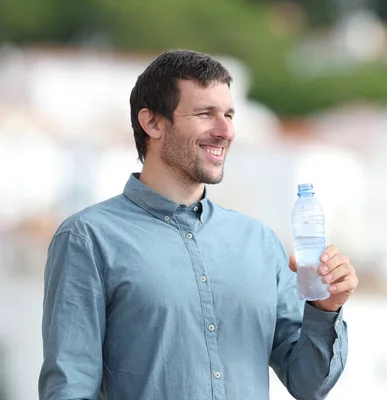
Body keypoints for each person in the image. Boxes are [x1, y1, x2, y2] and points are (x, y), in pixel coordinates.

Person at [38, 49, 359, 400]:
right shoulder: (88, 238)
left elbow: (309, 384)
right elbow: (69, 389)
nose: (225, 131)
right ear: (153, 123)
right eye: (206, 114)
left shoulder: (260, 242)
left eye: (229, 115)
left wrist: (324, 311)